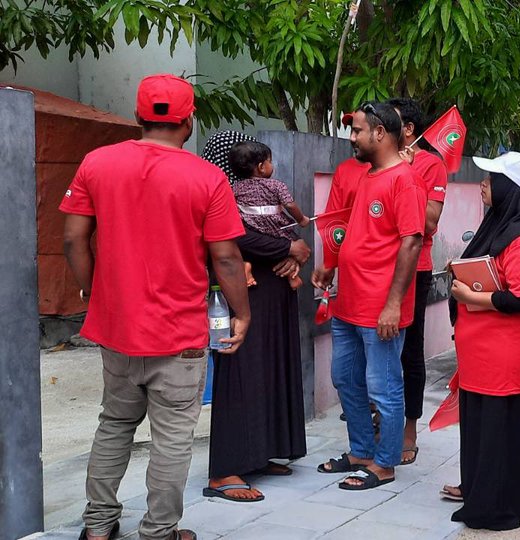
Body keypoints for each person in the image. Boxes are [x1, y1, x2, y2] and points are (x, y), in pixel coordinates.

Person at [61, 74, 249, 540]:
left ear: (139, 115)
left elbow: (72, 239)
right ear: (188, 120)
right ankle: (159, 531)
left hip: (118, 328)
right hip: (178, 333)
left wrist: (93, 291)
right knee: (172, 440)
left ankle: (99, 528)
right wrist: (241, 312)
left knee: (113, 425)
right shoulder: (207, 177)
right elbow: (225, 256)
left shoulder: (97, 163)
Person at [312, 102, 426, 491]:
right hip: (349, 303)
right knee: (344, 377)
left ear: (381, 133)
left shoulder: (404, 180)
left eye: (358, 130)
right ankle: (361, 451)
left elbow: (411, 241)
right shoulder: (366, 176)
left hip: (381, 308)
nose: (353, 138)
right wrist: (331, 264)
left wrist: (393, 303)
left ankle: (385, 462)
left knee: (384, 386)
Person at [198, 132, 313, 504]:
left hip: (272, 292)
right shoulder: (221, 196)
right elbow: (236, 239)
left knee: (270, 369)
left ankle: (260, 452)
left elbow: (283, 229)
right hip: (243, 295)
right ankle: (226, 467)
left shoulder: (255, 192)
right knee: (242, 374)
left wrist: (293, 254)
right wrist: (287, 247)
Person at [443, 151, 520, 530]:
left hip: (505, 357)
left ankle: (494, 504)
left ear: (510, 189)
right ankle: (480, 490)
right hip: (486, 356)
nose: (483, 186)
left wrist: (469, 298)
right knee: (483, 428)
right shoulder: (500, 226)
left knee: (497, 430)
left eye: (490, 180)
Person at [388, 97, 449, 466]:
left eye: (388, 122)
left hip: (415, 266)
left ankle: (409, 427)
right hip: (376, 267)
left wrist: (407, 176)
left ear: (408, 130)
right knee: (378, 350)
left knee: (410, 349)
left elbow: (427, 222)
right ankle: (382, 419)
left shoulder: (429, 165)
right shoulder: (376, 164)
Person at [227, 140, 309, 289]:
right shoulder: (276, 185)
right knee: (293, 242)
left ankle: (246, 266)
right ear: (261, 167)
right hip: (276, 228)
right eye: (270, 161)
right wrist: (301, 219)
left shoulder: (235, 187)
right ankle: (292, 277)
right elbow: (290, 205)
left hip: (252, 228)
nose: (272, 164)